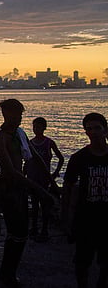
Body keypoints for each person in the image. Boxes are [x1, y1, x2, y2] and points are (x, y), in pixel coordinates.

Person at [0, 99, 55, 287]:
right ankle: (7, 272)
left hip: (20, 187)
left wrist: (52, 182)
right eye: (16, 114)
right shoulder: (0, 138)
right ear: (6, 114)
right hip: (8, 189)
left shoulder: (20, 134)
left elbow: (35, 157)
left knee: (20, 233)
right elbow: (10, 171)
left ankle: (8, 271)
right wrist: (40, 190)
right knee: (16, 232)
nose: (20, 118)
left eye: (21, 114)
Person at [62, 112, 108, 288]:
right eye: (89, 129)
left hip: (106, 219)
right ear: (86, 133)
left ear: (105, 130)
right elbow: (67, 188)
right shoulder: (78, 158)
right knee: (82, 262)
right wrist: (65, 217)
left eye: (97, 128)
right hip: (85, 219)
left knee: (105, 263)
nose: (93, 132)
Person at [24, 117, 64, 242]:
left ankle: (44, 230)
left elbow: (61, 158)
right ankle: (34, 227)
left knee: (45, 204)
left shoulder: (49, 143)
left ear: (44, 127)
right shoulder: (30, 143)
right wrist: (23, 175)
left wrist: (55, 173)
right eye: (34, 126)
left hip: (44, 179)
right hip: (32, 178)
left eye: (39, 126)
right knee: (35, 204)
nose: (36, 129)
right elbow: (27, 161)